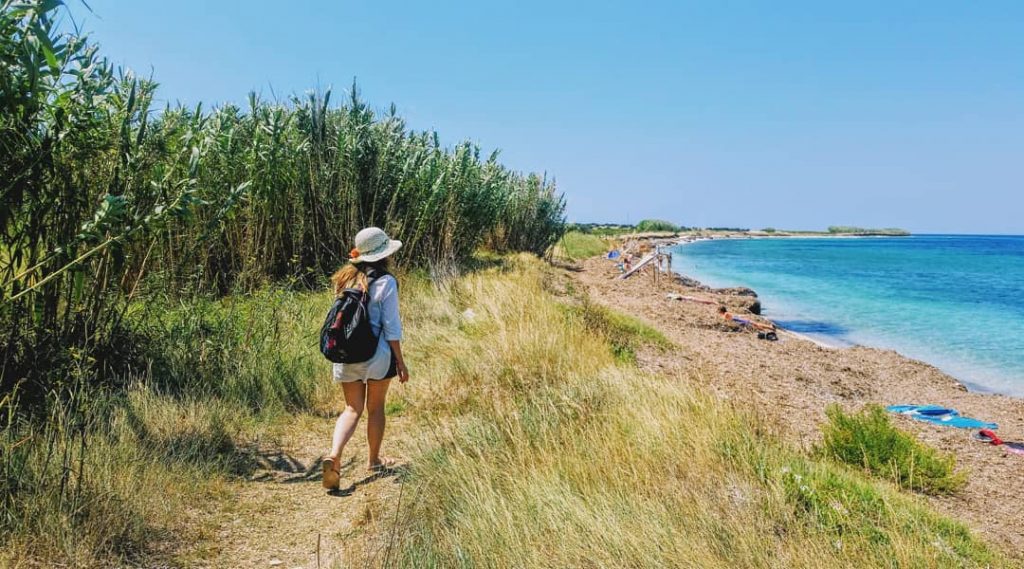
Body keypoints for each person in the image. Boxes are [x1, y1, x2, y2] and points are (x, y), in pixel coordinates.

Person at [322, 227, 410, 490]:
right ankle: (373, 461)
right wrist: (401, 362)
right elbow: (391, 327)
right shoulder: (386, 281)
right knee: (375, 408)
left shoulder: (345, 279)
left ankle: (335, 454)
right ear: (384, 255)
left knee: (351, 408)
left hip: (346, 354)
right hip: (377, 355)